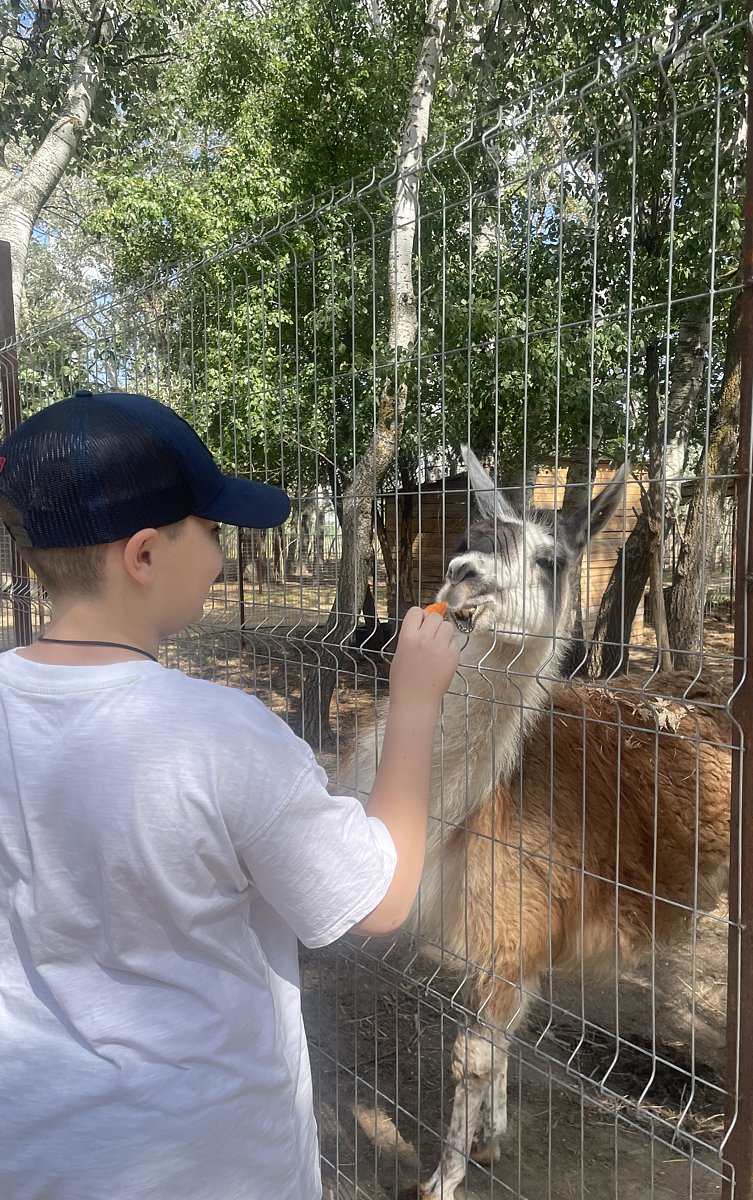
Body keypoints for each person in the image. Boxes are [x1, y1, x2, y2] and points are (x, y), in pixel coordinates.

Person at [0, 390, 459, 1200]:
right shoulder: (221, 737)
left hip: (35, 1148)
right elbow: (381, 901)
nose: (221, 556)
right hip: (210, 1162)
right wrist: (415, 701)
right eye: (211, 533)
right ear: (143, 556)